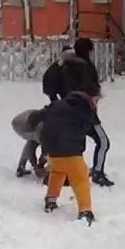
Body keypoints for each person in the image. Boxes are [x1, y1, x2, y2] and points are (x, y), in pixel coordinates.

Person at [39, 83, 101, 224]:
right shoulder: (84, 109)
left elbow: (37, 117)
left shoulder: (57, 104)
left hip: (52, 150)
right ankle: (85, 210)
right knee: (81, 179)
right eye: (96, 100)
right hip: (71, 151)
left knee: (58, 171)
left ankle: (50, 199)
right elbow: (92, 126)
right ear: (90, 98)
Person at [63, 38, 113, 187]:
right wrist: (95, 93)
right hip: (85, 111)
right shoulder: (84, 67)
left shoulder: (67, 66)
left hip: (70, 111)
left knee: (75, 145)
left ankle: (70, 173)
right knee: (103, 142)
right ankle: (97, 172)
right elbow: (85, 87)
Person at [12, 107, 47, 179]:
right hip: (21, 123)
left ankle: (21, 167)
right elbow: (32, 150)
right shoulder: (42, 132)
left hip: (30, 118)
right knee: (32, 143)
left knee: (34, 141)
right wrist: (36, 166)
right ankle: (21, 168)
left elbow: (46, 152)